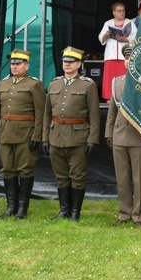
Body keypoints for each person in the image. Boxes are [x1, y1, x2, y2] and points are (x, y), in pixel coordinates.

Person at [42, 47, 100, 222]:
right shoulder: (54, 83)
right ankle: (64, 210)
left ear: (79, 64)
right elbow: (46, 114)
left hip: (77, 137)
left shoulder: (87, 85)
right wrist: (45, 138)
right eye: (65, 61)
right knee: (60, 175)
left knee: (77, 176)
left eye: (71, 61)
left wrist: (92, 139)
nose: (67, 64)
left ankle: (75, 211)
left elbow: (94, 115)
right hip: (55, 136)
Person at [0, 49, 46, 220]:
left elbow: (41, 112)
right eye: (13, 64)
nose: (15, 67)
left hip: (26, 132)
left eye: (18, 64)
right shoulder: (4, 83)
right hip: (6, 132)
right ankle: (11, 206)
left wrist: (37, 136)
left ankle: (23, 207)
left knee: (25, 170)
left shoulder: (34, 84)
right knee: (8, 169)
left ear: (27, 65)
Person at [105, 43, 141, 227]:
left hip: (138, 135)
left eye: (132, 58)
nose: (128, 61)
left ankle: (138, 216)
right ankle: (124, 213)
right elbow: (112, 110)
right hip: (119, 134)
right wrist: (109, 132)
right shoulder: (117, 81)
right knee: (122, 177)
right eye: (126, 58)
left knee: (138, 179)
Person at [98, 1, 136, 100]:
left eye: (123, 10)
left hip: (125, 57)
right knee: (110, 79)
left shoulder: (130, 22)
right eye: (119, 11)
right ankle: (109, 98)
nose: (122, 13)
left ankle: (125, 97)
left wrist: (126, 39)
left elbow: (136, 37)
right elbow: (101, 37)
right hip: (111, 55)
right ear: (113, 12)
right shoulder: (108, 23)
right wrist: (106, 35)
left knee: (125, 78)